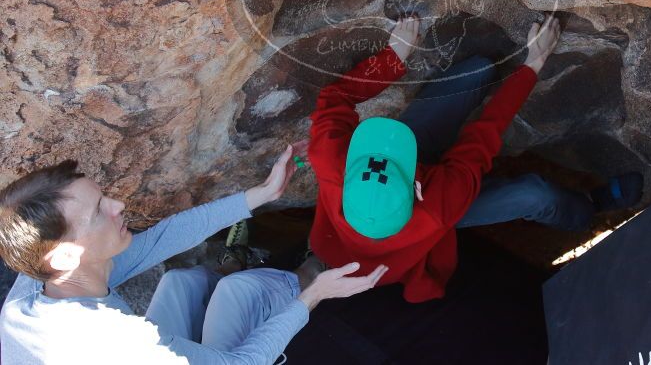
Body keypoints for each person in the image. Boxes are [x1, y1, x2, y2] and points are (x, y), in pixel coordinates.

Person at [308, 14, 642, 303]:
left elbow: (334, 97)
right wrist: (533, 64)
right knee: (535, 194)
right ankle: (586, 208)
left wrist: (394, 56)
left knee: (477, 72)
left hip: (413, 175)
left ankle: (475, 84)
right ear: (417, 189)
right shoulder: (439, 205)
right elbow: (483, 135)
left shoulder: (329, 160)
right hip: (438, 199)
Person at [0, 143, 388, 364]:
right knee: (244, 290)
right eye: (98, 211)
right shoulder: (117, 342)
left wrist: (263, 194)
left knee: (182, 281)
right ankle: (307, 275)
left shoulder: (38, 278)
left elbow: (160, 239)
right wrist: (313, 296)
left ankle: (232, 265)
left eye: (104, 197)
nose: (118, 205)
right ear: (66, 256)